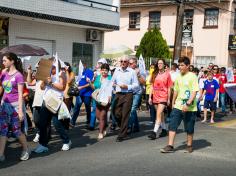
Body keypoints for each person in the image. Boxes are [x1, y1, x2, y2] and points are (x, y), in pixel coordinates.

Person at [160, 56, 199, 153]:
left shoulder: (192, 76)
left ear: (188, 66)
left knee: (189, 128)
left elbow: (194, 91)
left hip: (190, 107)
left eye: (182, 65)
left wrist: (188, 103)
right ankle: (170, 145)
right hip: (178, 106)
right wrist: (173, 102)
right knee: (172, 125)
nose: (180, 67)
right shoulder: (178, 77)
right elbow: (176, 91)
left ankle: (189, 145)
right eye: (179, 65)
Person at [34, 61, 71, 153]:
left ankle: (66, 141)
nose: (51, 68)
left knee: (57, 124)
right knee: (42, 123)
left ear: (56, 67)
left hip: (56, 102)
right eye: (50, 67)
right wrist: (45, 81)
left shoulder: (61, 74)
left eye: (53, 66)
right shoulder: (47, 74)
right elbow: (42, 87)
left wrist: (51, 83)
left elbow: (62, 87)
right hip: (46, 101)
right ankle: (43, 144)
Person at [0, 52, 31, 161]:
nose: (3, 62)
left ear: (12, 61)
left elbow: (20, 94)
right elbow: (2, 88)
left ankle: (26, 148)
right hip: (4, 105)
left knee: (16, 130)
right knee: (3, 130)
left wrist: (21, 112)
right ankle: (1, 154)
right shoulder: (3, 73)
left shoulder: (18, 75)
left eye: (5, 60)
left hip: (15, 106)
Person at [111, 56, 139, 142]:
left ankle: (122, 135)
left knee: (125, 114)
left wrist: (127, 86)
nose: (123, 63)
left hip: (128, 94)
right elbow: (112, 81)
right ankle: (123, 127)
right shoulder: (117, 70)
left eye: (125, 61)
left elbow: (136, 85)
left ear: (127, 63)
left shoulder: (132, 72)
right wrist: (113, 88)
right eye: (121, 61)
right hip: (118, 94)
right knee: (116, 113)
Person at [148, 59, 172, 140]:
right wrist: (149, 97)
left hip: (163, 97)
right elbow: (151, 86)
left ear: (164, 65)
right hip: (155, 97)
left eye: (161, 63)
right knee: (161, 115)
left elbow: (169, 88)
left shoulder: (167, 75)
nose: (159, 65)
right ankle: (164, 129)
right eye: (158, 63)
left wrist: (168, 99)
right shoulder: (154, 74)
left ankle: (154, 132)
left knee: (158, 114)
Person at [90, 63, 112, 140]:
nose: (104, 72)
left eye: (106, 70)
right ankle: (105, 125)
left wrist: (110, 96)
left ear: (108, 71)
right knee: (98, 116)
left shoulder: (110, 78)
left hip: (106, 100)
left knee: (102, 116)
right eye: (102, 70)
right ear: (100, 70)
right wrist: (90, 82)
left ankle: (100, 132)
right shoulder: (98, 77)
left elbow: (112, 89)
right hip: (97, 99)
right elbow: (94, 87)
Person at [71, 63, 94, 129]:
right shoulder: (80, 73)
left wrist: (82, 87)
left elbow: (90, 83)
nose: (80, 68)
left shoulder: (89, 72)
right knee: (76, 108)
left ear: (85, 65)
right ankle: (72, 122)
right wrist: (76, 85)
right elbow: (78, 81)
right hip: (80, 94)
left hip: (87, 94)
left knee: (88, 108)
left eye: (81, 66)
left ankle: (88, 122)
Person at [128, 57, 146, 133]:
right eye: (129, 63)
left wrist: (138, 75)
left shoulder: (140, 70)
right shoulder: (128, 70)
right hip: (129, 92)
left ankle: (128, 126)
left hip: (137, 92)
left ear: (135, 63)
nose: (130, 65)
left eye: (132, 63)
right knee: (132, 110)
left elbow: (144, 82)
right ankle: (136, 126)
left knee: (132, 109)